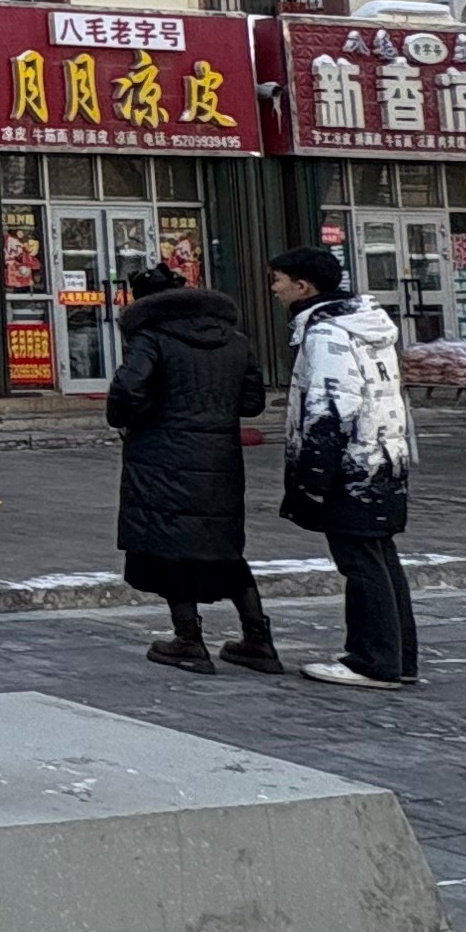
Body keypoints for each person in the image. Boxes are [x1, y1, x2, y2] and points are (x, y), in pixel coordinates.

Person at [105, 262, 280, 676]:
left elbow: (128, 388)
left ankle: (188, 638)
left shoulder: (152, 337)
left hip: (162, 456)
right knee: (224, 548)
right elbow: (252, 402)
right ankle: (258, 638)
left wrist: (128, 418)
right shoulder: (234, 340)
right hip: (220, 459)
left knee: (169, 544)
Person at [270, 243, 416, 689]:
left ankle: (373, 660)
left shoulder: (326, 333)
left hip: (352, 465)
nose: (274, 289)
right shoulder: (363, 325)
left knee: (360, 561)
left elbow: (330, 407)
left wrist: (314, 477)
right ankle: (398, 657)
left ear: (303, 286)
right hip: (382, 455)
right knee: (379, 555)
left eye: (278, 280)